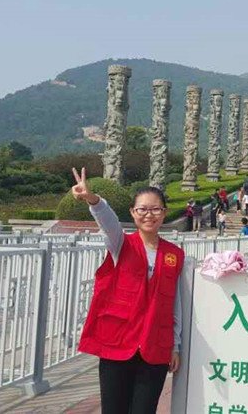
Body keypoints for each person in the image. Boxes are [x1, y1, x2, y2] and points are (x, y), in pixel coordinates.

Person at [72, 168, 184, 414]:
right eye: (142, 209)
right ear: (133, 213)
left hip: (155, 347)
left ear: (164, 213)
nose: (149, 215)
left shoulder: (174, 254)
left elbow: (174, 303)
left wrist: (174, 346)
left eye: (155, 209)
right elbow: (108, 222)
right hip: (117, 343)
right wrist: (93, 200)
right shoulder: (121, 243)